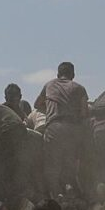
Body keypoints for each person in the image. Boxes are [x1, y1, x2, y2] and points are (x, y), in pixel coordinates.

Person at [36, 62, 90, 196]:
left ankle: (55, 197)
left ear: (58, 74)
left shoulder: (49, 85)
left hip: (54, 127)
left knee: (52, 165)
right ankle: (71, 194)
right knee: (70, 165)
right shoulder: (79, 88)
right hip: (73, 129)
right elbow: (84, 113)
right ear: (73, 75)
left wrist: (51, 111)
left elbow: (37, 104)